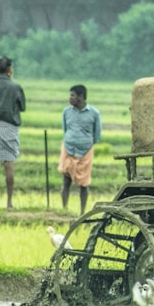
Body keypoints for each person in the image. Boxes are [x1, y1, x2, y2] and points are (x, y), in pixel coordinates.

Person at [0, 55, 26, 210]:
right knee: (8, 164)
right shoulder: (16, 88)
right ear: (9, 69)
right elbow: (22, 106)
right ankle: (9, 203)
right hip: (10, 126)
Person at [58, 84, 102, 215]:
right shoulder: (67, 112)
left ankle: (82, 212)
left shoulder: (94, 113)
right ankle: (64, 210)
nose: (70, 98)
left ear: (81, 97)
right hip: (68, 149)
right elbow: (65, 130)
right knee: (66, 181)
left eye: (72, 95)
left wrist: (85, 143)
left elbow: (97, 135)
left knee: (84, 184)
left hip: (85, 152)